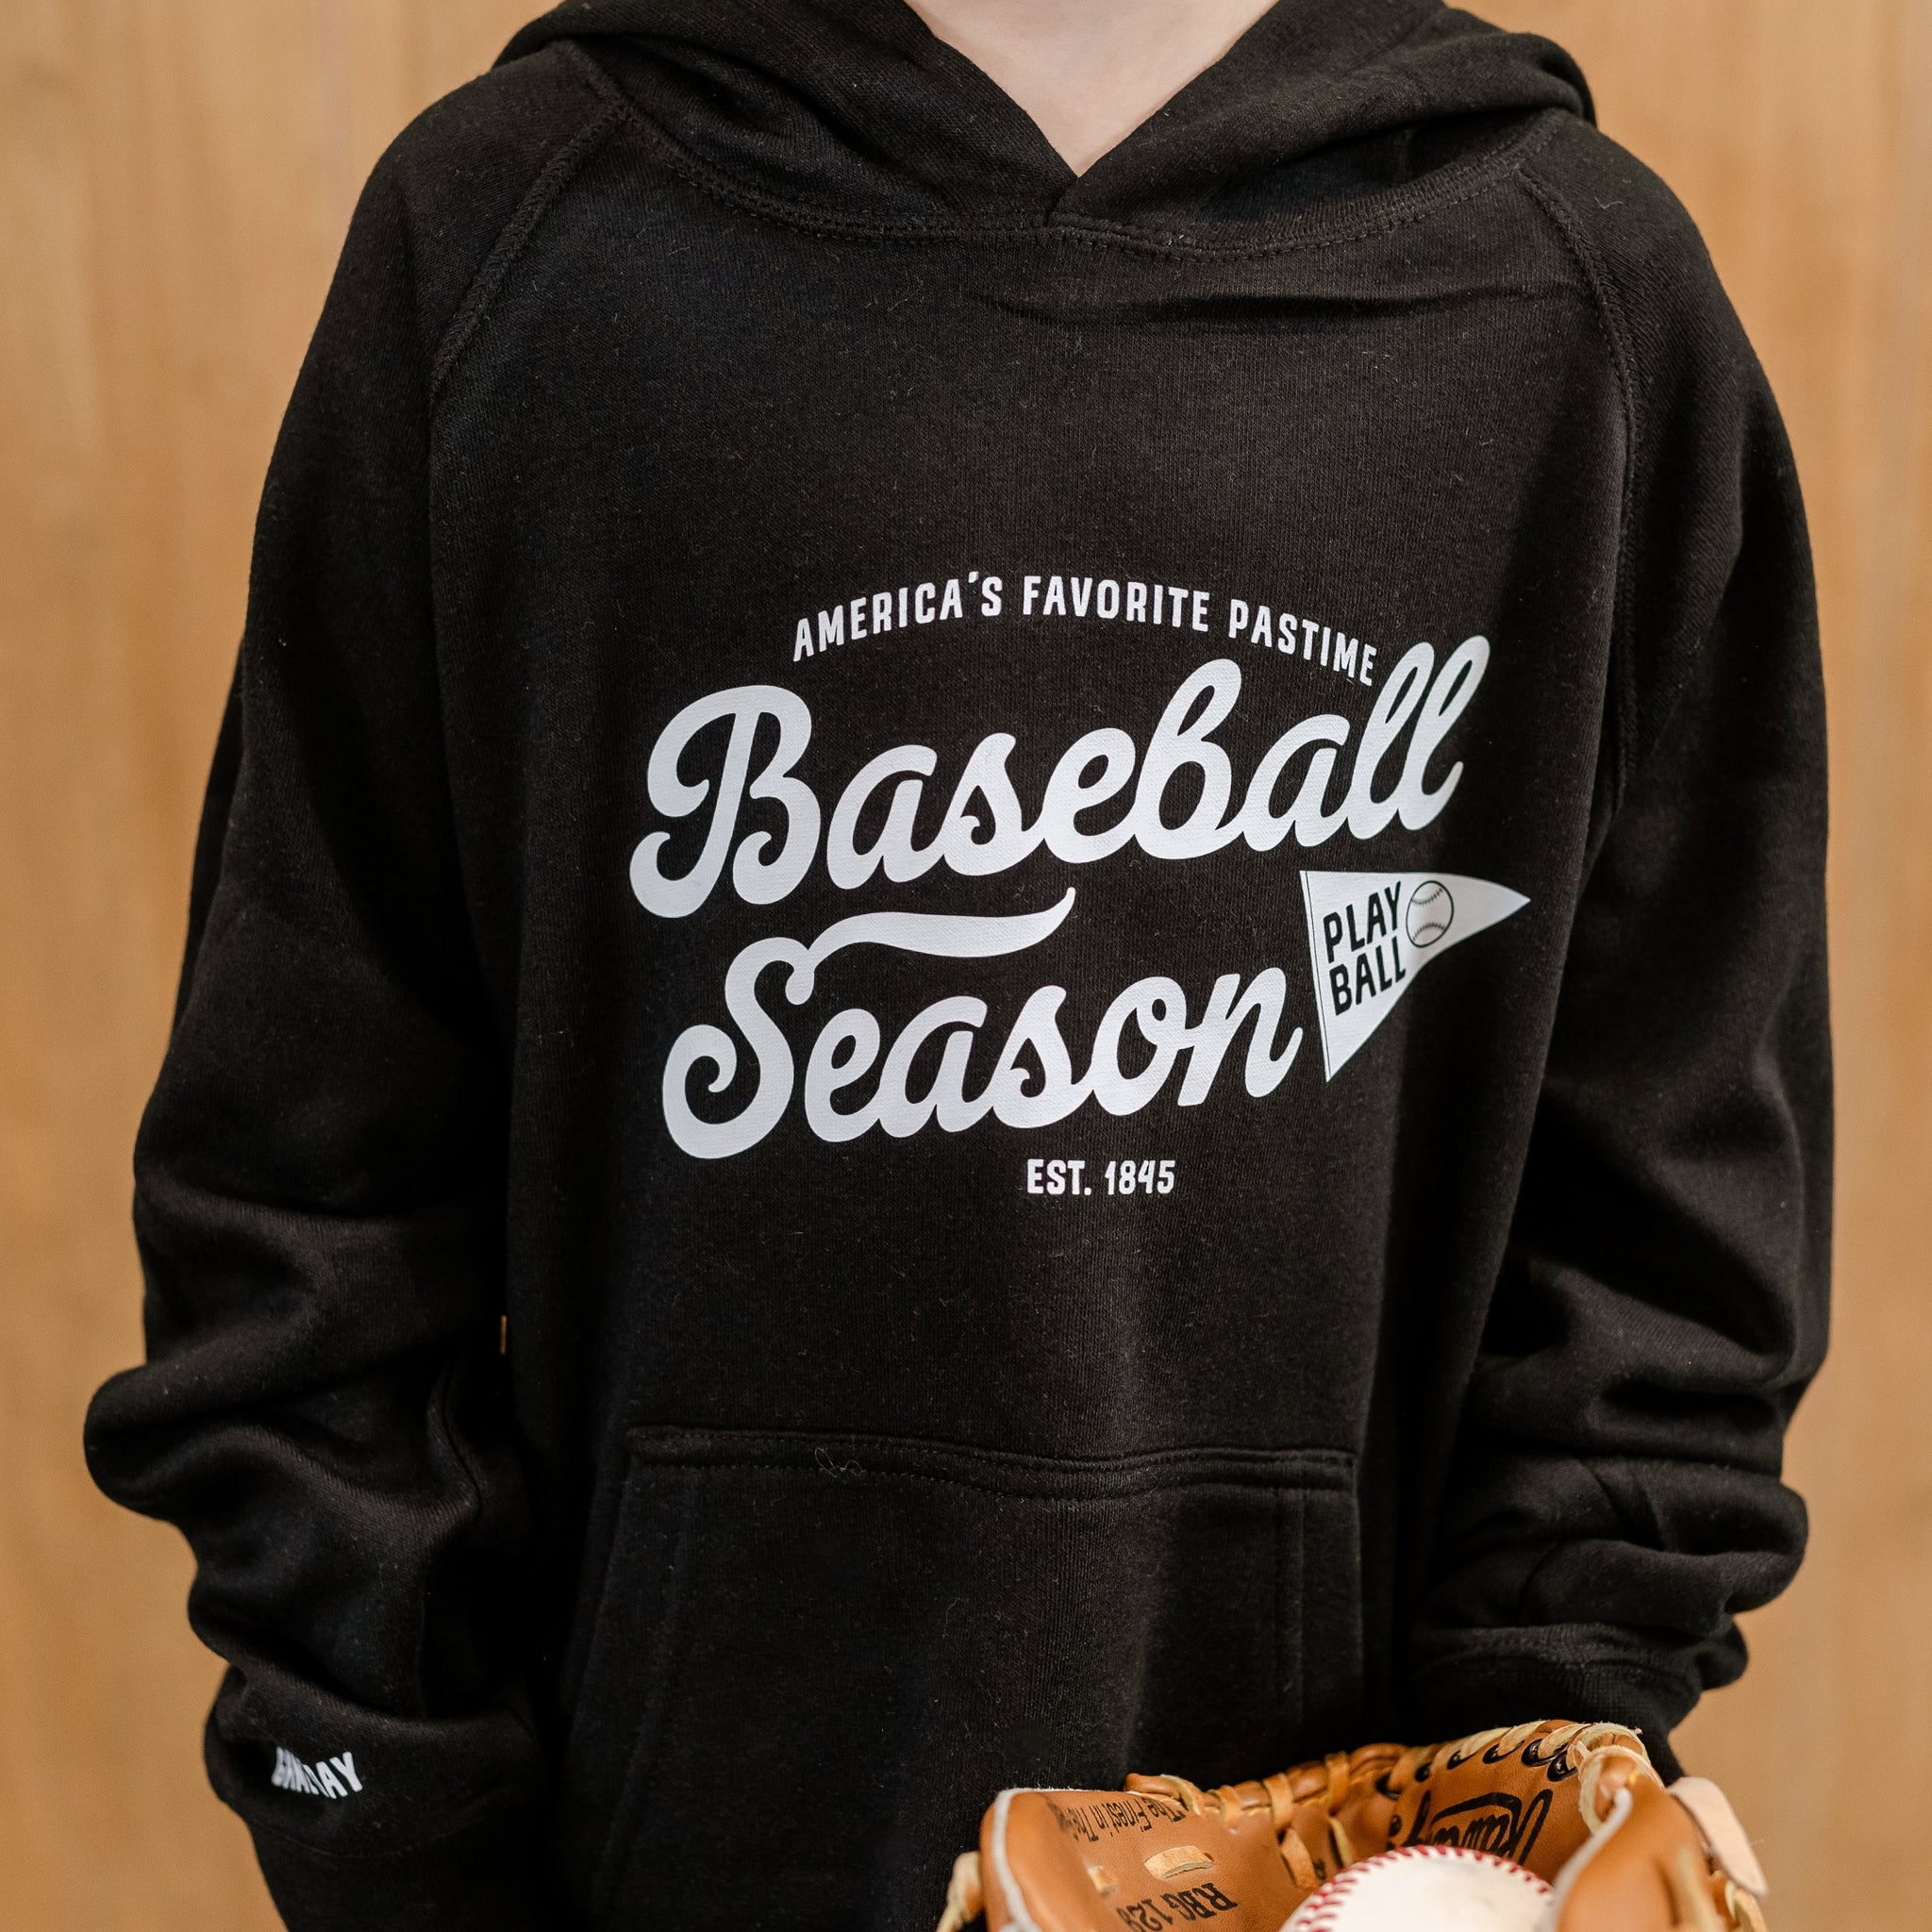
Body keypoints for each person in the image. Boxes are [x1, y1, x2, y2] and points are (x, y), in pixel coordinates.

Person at [85, 3, 1831, 1928]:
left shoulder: (1575, 307)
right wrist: (391, 1837)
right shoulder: (520, 248)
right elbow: (306, 1187)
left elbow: (1666, 1249)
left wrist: (1516, 1803)